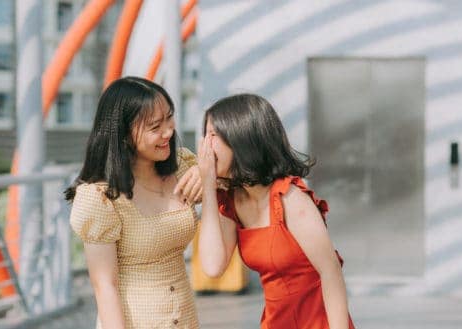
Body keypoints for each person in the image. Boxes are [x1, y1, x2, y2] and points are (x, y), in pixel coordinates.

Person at [196, 93, 355, 329]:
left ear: (241, 139)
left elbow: (330, 274)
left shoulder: (291, 199)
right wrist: (208, 187)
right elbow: (212, 266)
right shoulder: (232, 200)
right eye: (204, 135)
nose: (204, 146)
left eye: (213, 135)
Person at [66, 76, 202, 328]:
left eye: (169, 118)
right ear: (124, 135)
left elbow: (239, 183)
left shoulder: (183, 168)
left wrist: (210, 173)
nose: (168, 131)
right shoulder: (100, 197)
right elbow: (104, 285)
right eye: (155, 126)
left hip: (185, 320)